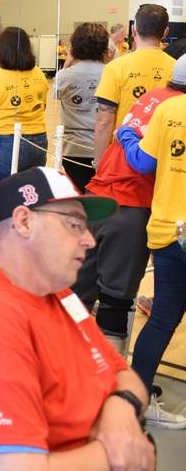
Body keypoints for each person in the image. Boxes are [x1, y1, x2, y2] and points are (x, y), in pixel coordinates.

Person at [0, 167, 156, 471]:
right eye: (75, 224)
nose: (90, 240)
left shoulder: (59, 296)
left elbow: (122, 373)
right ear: (24, 222)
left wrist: (120, 410)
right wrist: (123, 452)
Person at [73, 59, 186, 382]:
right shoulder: (175, 109)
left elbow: (112, 124)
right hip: (132, 208)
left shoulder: (149, 97)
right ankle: (111, 387)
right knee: (116, 303)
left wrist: (122, 136)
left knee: (75, 293)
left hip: (97, 197)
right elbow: (143, 162)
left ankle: (63, 371)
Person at [124, 55, 186, 426]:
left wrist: (127, 134)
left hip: (166, 232)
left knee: (162, 319)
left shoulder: (168, 109)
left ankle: (137, 400)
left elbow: (143, 163)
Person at [94, 6, 174, 167]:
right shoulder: (177, 69)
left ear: (133, 29)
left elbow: (104, 121)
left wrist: (99, 163)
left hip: (123, 156)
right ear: (165, 32)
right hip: (164, 156)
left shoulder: (116, 67)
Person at [0, 27, 50, 182]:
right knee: (32, 192)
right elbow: (42, 106)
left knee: (3, 194)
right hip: (39, 140)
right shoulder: (39, 73)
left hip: (4, 142)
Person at [55, 22, 109, 192]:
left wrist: (67, 63)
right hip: (104, 147)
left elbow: (56, 94)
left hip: (73, 147)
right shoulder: (111, 72)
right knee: (100, 195)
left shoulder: (65, 74)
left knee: (77, 193)